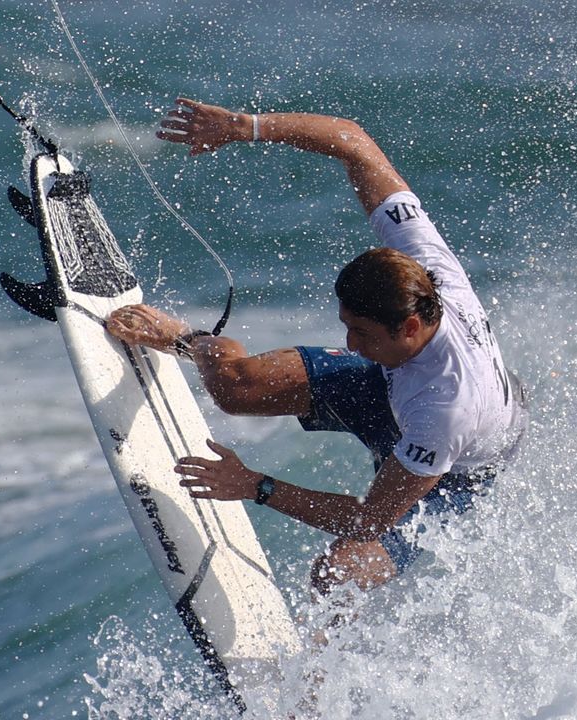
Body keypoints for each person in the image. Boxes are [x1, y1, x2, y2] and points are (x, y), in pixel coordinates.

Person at [105, 97, 527, 595]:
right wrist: (245, 127)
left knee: (336, 574)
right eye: (347, 326)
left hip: (457, 470)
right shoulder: (425, 264)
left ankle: (319, 672)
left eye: (362, 335)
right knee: (235, 388)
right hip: (401, 381)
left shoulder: (446, 410)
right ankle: (186, 338)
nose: (348, 343)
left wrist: (256, 487)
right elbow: (357, 145)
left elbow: (368, 521)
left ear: (410, 326)